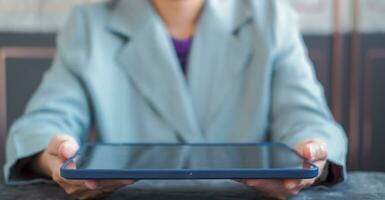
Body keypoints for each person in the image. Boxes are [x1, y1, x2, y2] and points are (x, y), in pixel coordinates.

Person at [4, 0, 348, 199]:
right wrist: (52, 159)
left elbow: (308, 118)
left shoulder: (272, 18)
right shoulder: (90, 24)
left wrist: (311, 155)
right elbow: (42, 123)